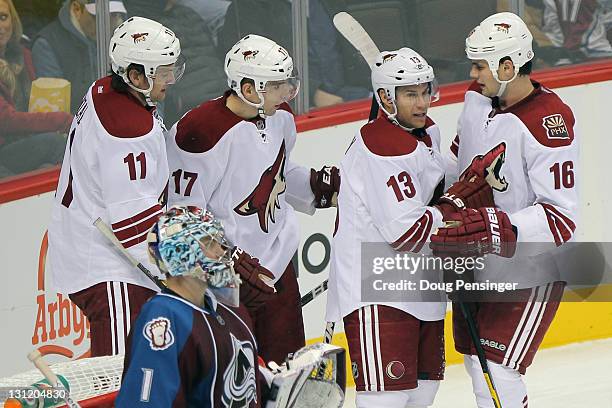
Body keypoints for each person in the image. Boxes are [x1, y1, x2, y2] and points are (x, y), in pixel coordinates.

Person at [325, 47, 495, 408]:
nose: (422, 104)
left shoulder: (427, 131)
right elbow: (406, 234)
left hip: (421, 284)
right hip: (378, 288)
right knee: (387, 398)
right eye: (410, 94)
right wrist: (455, 204)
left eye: (424, 91)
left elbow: (431, 187)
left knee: (422, 393)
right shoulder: (379, 145)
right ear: (386, 98)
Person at [431, 12, 579, 407]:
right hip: (479, 261)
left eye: (481, 65)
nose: (473, 73)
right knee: (478, 365)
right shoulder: (477, 101)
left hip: (532, 267)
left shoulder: (548, 121)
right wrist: (423, 170)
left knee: (498, 366)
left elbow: (561, 218)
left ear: (508, 66)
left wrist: (491, 224)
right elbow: (459, 165)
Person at [165, 34, 340, 364]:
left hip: (277, 266)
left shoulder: (281, 118)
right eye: (277, 85)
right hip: (227, 279)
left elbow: (277, 177)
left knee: (287, 371)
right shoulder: (199, 132)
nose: (287, 92)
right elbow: (183, 216)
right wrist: (227, 261)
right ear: (249, 89)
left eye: (287, 83)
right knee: (236, 379)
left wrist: (319, 189)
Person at [47, 16, 185, 357]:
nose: (170, 79)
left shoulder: (105, 88)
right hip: (109, 266)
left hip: (90, 246)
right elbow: (134, 230)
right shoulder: (128, 131)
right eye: (162, 72)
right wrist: (181, 276)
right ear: (135, 76)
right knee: (122, 373)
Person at [116, 205, 347, 407]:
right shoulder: (164, 318)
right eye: (210, 243)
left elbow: (244, 390)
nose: (221, 251)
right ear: (180, 252)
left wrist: (276, 388)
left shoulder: (234, 313)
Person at [0, 0, 72, 178]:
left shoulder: (23, 54)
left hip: (24, 141)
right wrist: (60, 120)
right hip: (5, 148)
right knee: (54, 144)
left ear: (13, 20)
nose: (0, 26)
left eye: (3, 17)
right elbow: (7, 120)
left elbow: (37, 100)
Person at [124, 0, 227, 124]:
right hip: (190, 105)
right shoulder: (141, 24)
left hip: (222, 95)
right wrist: (177, 101)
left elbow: (212, 57)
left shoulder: (188, 14)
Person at [31, 0, 127, 113]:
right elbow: (52, 109)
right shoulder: (47, 44)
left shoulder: (119, 38)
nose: (107, 24)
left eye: (114, 15)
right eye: (97, 17)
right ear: (77, 9)